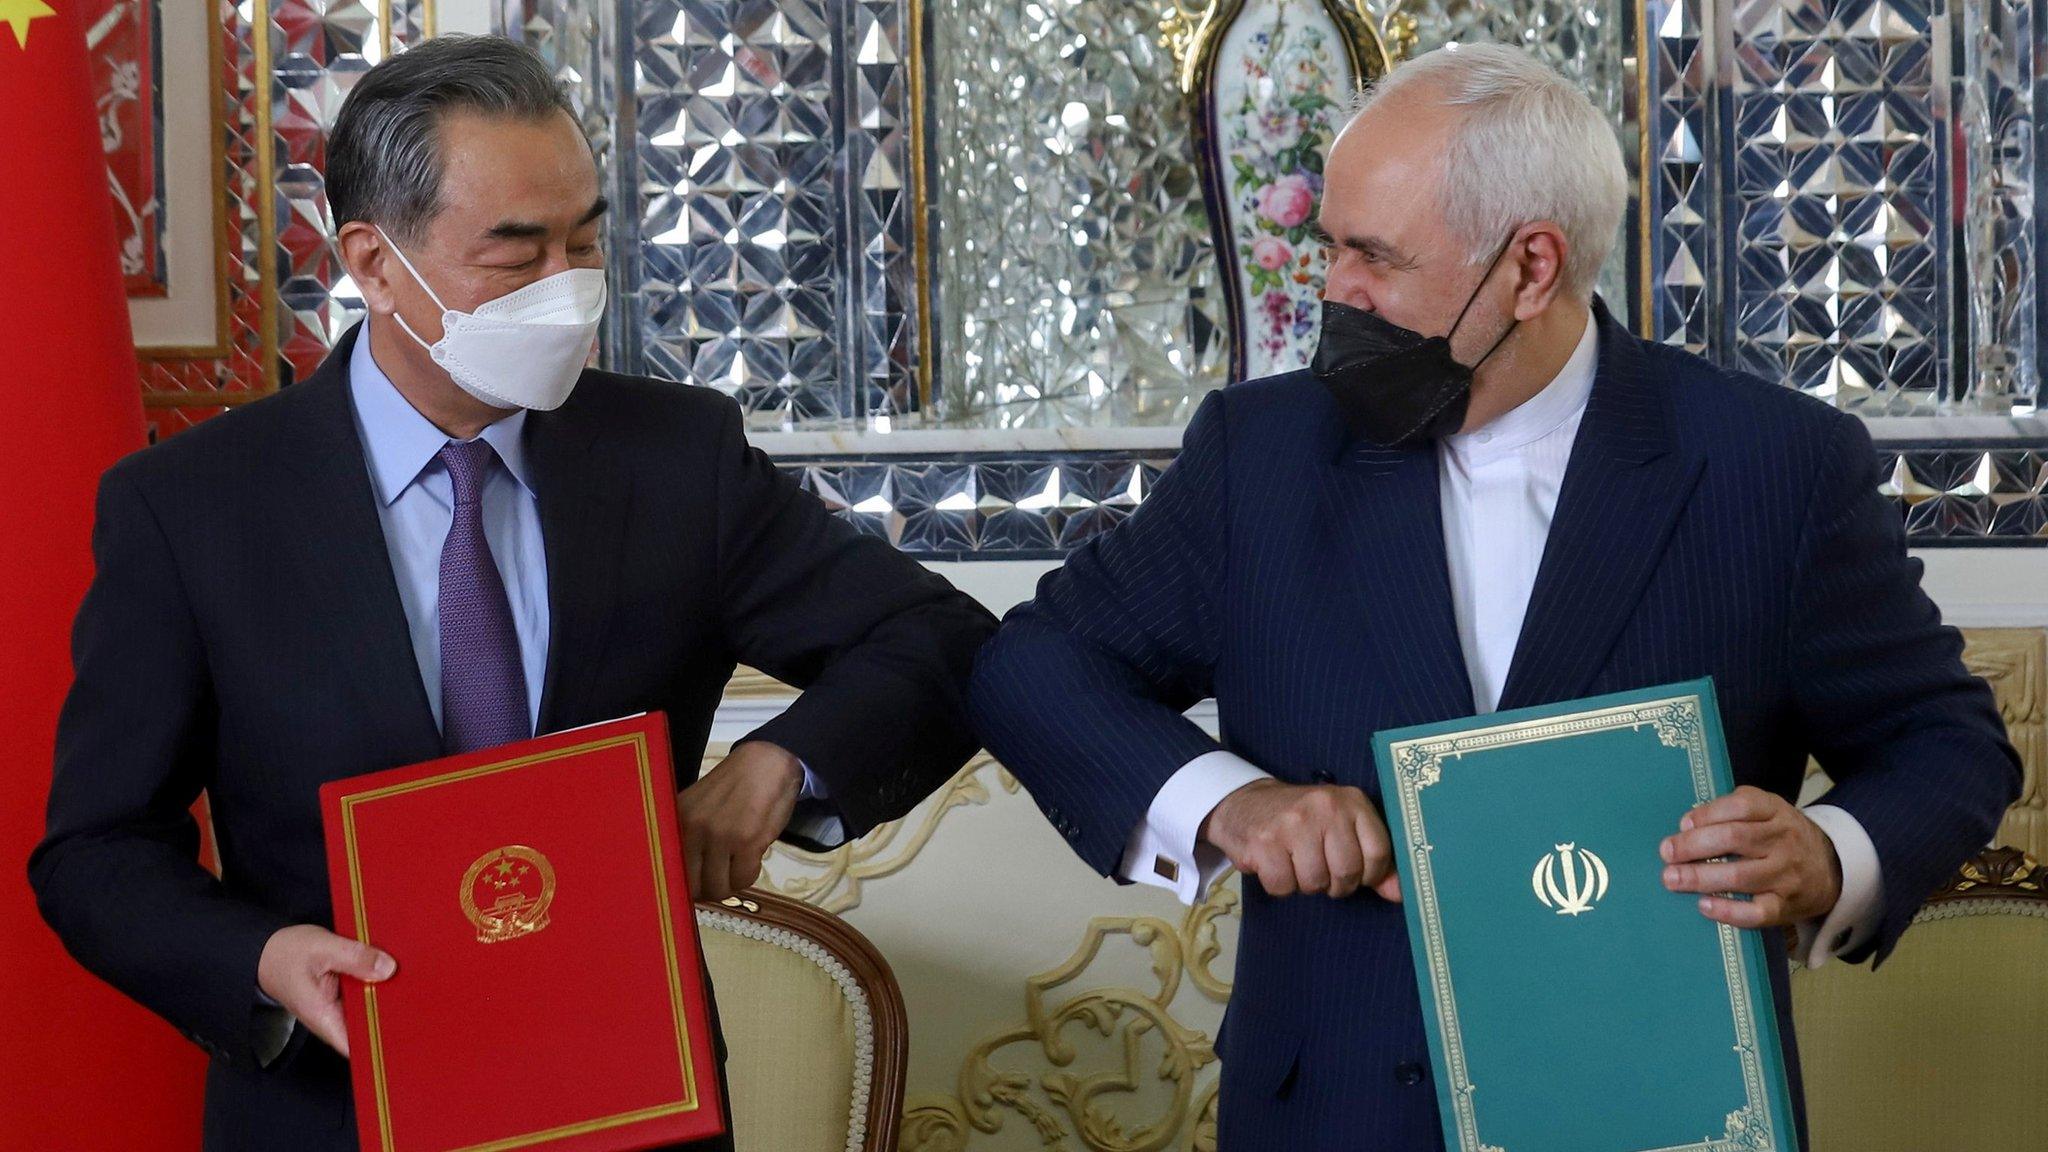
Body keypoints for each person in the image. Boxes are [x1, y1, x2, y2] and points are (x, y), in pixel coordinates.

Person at [968, 42, 2020, 1149]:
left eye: (1372, 257)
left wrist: (1829, 853)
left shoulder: (1772, 465)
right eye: (1329, 248)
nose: (1332, 292)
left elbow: (1943, 742)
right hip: (1334, 1112)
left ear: (1528, 268)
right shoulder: (1260, 454)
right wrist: (1231, 803)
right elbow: (1033, 664)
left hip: (1657, 1110)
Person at [30, 34, 995, 1151]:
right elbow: (96, 853)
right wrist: (258, 961)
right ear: (375, 263)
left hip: (632, 1097)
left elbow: (935, 635)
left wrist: (776, 767)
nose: (569, 289)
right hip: (329, 1107)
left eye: (586, 239)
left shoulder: (676, 459)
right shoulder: (191, 507)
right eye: (516, 251)